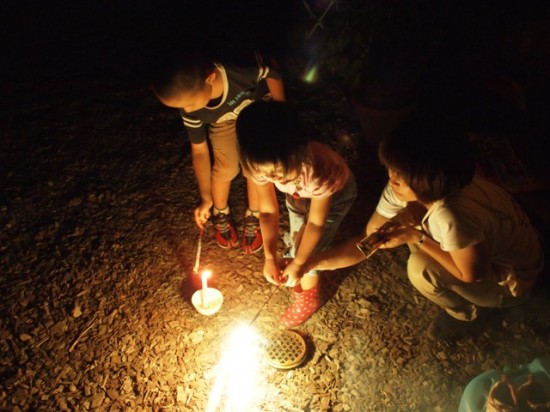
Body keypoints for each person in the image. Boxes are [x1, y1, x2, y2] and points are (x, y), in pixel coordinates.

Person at [304, 116, 544, 340]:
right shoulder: (420, 186)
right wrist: (310, 263)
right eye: (391, 168)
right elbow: (369, 239)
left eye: (400, 175)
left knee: (420, 269)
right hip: (486, 246)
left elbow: (473, 274)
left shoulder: (451, 215)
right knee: (406, 224)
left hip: (511, 278)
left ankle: (468, 315)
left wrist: (417, 237)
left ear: (428, 180)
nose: (391, 178)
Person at [151, 48, 285, 253]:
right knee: (226, 166)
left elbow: (272, 69)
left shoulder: (241, 69)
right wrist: (205, 197)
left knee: (257, 166)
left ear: (210, 78)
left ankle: (255, 214)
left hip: (256, 112)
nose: (187, 110)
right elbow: (199, 150)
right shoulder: (191, 109)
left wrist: (281, 110)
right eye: (182, 107)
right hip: (223, 122)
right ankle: (220, 211)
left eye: (190, 103)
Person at [236, 101, 357, 327]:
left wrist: (300, 262)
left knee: (312, 249)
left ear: (298, 151)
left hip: (334, 197)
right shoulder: (261, 163)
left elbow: (316, 224)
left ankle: (308, 300)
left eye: (281, 174)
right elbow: (268, 211)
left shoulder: (321, 170)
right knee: (295, 240)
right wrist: (270, 257)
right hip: (299, 196)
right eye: (269, 176)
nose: (275, 180)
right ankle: (300, 270)